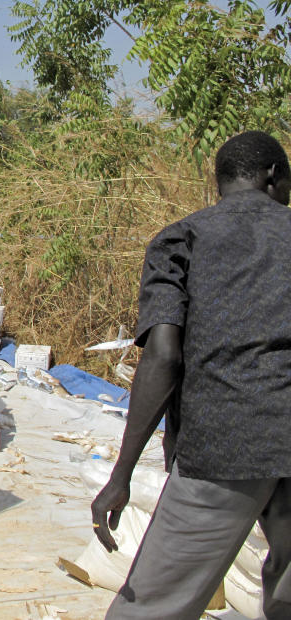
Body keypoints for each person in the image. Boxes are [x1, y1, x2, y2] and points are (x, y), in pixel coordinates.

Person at [91, 131, 291, 619]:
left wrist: (122, 475)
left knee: (154, 606)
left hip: (224, 445)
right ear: (272, 176)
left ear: (220, 182)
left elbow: (163, 356)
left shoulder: (183, 238)